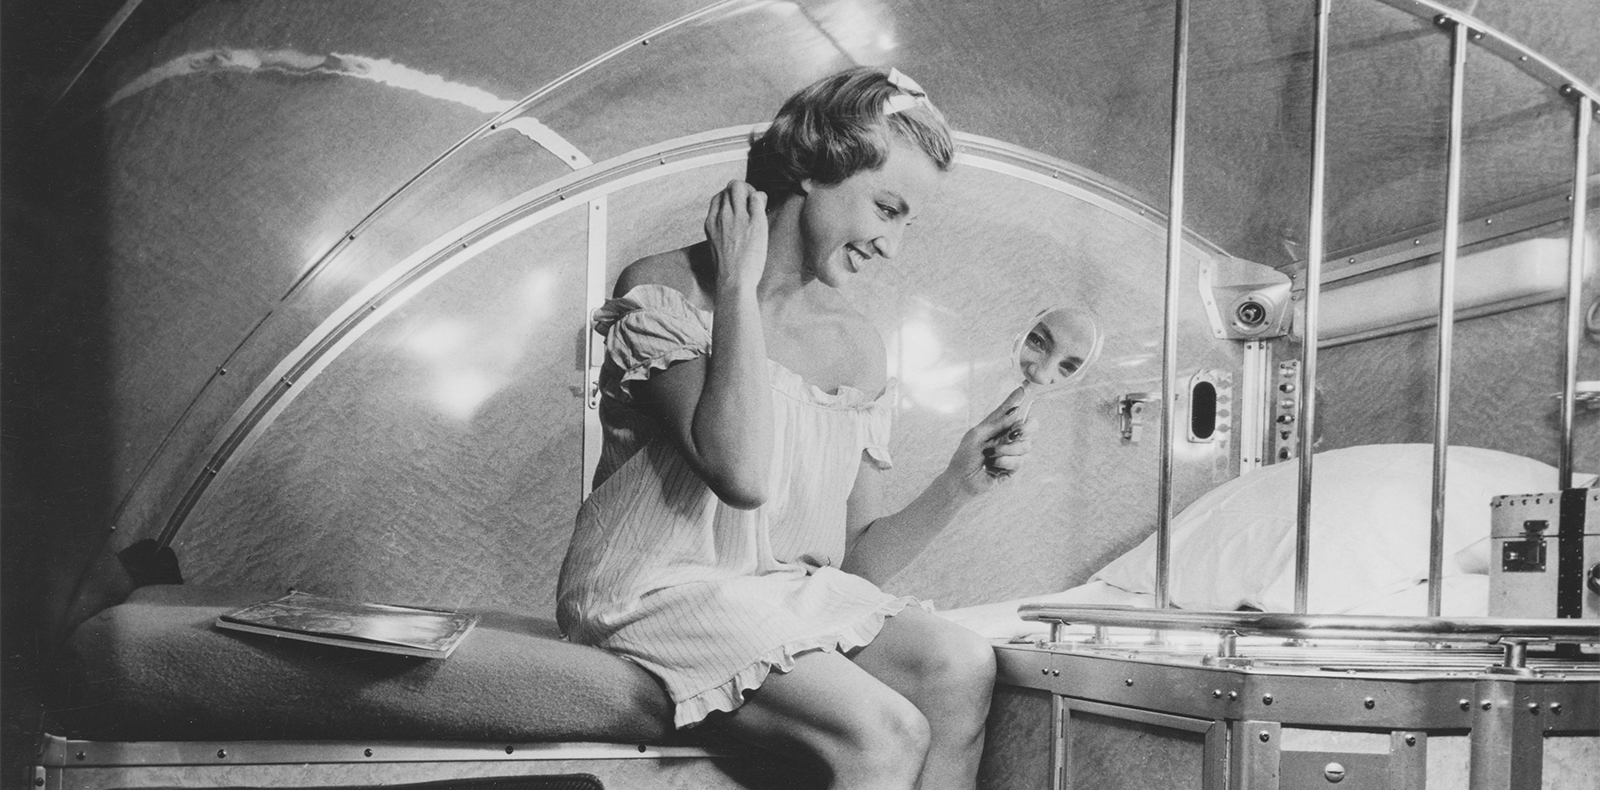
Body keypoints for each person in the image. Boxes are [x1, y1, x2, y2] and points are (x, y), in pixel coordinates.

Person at [556, 66, 1035, 790]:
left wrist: (957, 485)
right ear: (812, 166)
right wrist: (737, 288)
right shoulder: (665, 290)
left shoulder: (856, 345)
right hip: (651, 591)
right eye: (886, 208)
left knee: (959, 665)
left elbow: (852, 563)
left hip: (774, 595)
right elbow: (741, 474)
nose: (892, 246)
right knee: (886, 733)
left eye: (906, 222)